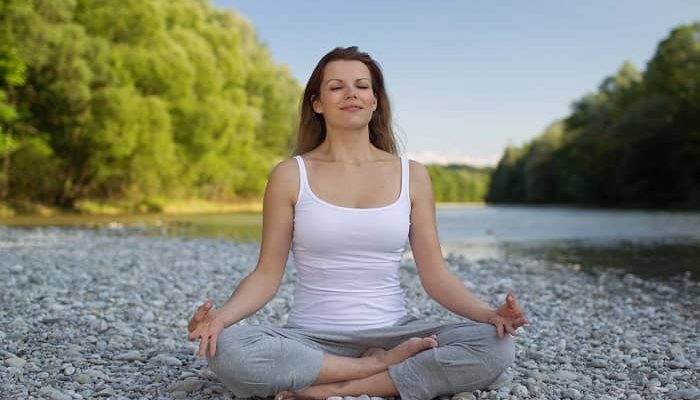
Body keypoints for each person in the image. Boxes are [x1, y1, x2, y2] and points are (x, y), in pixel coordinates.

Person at [187, 46, 528, 400]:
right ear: (317, 103)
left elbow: (436, 276)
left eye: (362, 86)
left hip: (395, 332)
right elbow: (266, 275)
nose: (351, 93)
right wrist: (221, 319)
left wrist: (489, 315)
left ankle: (326, 389)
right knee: (227, 348)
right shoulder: (290, 175)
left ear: (375, 101)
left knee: (495, 345)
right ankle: (374, 369)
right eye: (336, 87)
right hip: (312, 338)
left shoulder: (413, 175)